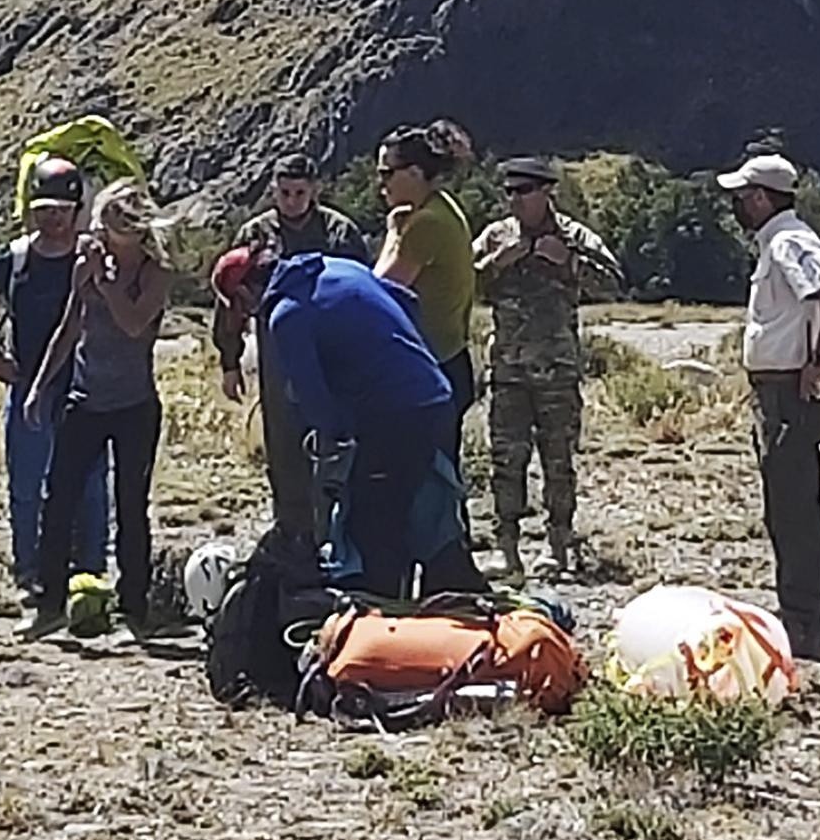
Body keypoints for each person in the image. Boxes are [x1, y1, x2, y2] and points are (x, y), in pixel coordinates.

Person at [259, 250, 488, 601]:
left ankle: (381, 622)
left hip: (391, 414)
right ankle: (457, 607)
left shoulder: (286, 314)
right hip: (436, 396)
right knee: (430, 510)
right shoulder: (340, 267)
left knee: (372, 523)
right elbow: (406, 299)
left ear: (247, 294)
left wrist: (333, 437)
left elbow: (313, 399)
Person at [22, 179, 172, 639]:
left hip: (134, 405)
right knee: (58, 497)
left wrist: (104, 284)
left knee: (131, 505)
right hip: (85, 399)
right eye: (105, 222)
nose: (107, 232)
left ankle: (135, 609)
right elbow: (71, 325)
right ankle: (48, 603)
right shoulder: (88, 264)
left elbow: (133, 324)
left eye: (116, 223)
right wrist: (40, 385)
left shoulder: (156, 271)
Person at [720, 151, 820, 662]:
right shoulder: (777, 240)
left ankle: (803, 625)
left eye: (742, 196)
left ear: (761, 197)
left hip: (788, 392)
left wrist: (819, 360)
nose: (737, 206)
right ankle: (797, 617)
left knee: (793, 508)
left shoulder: (788, 240)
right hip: (777, 390)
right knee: (786, 505)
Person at [0, 157, 108, 592]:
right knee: (27, 485)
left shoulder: (91, 255)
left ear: (76, 209)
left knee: (92, 484)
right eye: (44, 208)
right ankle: (30, 567)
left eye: (61, 209)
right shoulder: (15, 256)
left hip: (84, 387)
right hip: (27, 385)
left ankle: (90, 569)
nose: (52, 218)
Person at [471, 157, 624, 579]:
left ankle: (557, 545)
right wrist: (497, 262)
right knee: (506, 460)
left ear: (545, 193)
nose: (515, 201)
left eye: (523, 192)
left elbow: (612, 282)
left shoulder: (573, 236)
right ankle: (507, 548)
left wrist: (568, 263)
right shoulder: (496, 237)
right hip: (509, 371)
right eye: (510, 193)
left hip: (557, 370)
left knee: (558, 461)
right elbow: (465, 285)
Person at [211, 153, 369, 536]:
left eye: (300, 192)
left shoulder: (339, 232)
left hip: (333, 350)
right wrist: (229, 360)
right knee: (284, 448)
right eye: (285, 192)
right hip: (277, 353)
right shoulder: (255, 235)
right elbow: (230, 300)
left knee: (337, 442)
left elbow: (362, 290)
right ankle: (292, 532)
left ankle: (338, 533)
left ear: (315, 190)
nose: (292, 200)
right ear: (274, 191)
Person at [373, 121, 481, 418]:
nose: (381, 184)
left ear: (414, 173)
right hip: (448, 360)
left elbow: (378, 293)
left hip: (432, 369)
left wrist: (393, 234)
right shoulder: (442, 206)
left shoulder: (425, 224)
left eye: (387, 173)